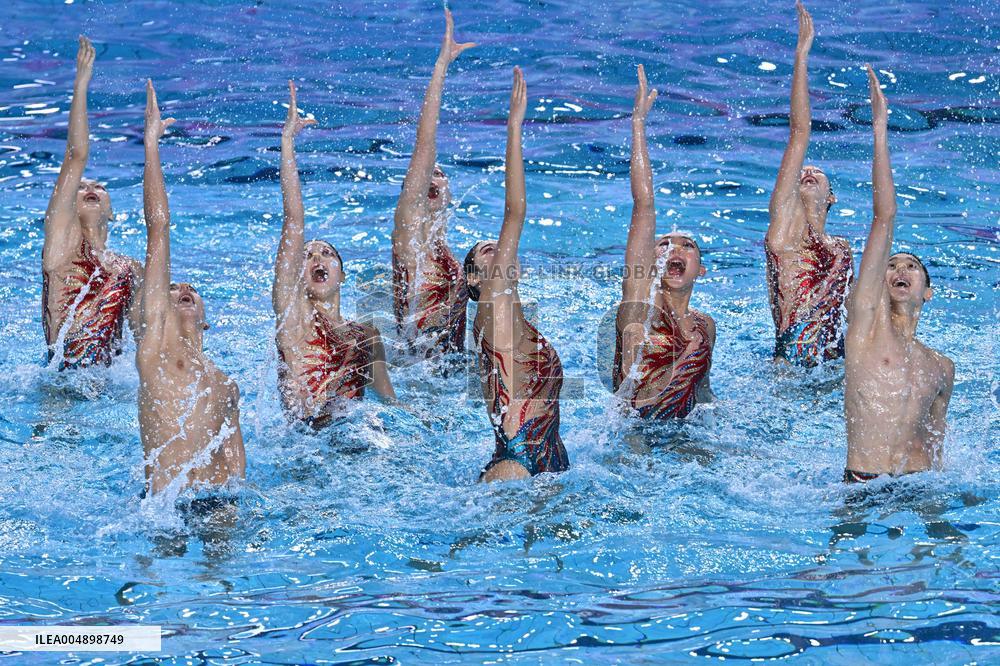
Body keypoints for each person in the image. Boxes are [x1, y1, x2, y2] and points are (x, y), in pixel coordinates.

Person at [843, 67, 954, 482]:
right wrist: (879, 129)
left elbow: (936, 444)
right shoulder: (866, 327)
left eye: (911, 266)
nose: (899, 269)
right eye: (891, 265)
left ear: (927, 291)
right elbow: (884, 217)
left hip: (919, 486)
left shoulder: (942, 367)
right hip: (863, 483)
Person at [137, 80, 245, 496]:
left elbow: (236, 460)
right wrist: (151, 147)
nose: (181, 287)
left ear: (205, 319)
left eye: (192, 290)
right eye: (173, 287)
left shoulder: (225, 384)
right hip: (165, 504)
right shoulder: (155, 349)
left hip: (217, 499)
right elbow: (158, 230)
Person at [464, 67, 569, 482]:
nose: (502, 253)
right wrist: (514, 127)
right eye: (489, 252)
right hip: (517, 465)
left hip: (550, 463)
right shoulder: (491, 308)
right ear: (474, 281)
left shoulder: (519, 323)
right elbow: (515, 212)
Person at [273, 82, 395, 428]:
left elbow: (389, 401)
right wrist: (287, 144)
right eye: (308, 256)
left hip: (355, 439)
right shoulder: (294, 319)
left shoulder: (367, 336)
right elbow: (293, 222)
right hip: (306, 442)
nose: (317, 259)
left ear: (341, 274)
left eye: (326, 254)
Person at [613, 65, 715, 419]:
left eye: (687, 244)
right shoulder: (639, 299)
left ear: (700, 270)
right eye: (664, 244)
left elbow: (701, 391)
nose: (674, 248)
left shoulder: (705, 327)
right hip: (631, 436)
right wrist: (638, 124)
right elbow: (644, 205)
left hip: (682, 432)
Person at [42, 36, 143, 370]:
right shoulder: (62, 245)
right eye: (82, 187)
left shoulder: (128, 269)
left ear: (111, 212)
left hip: (106, 386)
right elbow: (76, 156)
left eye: (99, 187)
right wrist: (81, 85)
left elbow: (146, 334)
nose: (91, 188)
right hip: (59, 381)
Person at [766, 2, 853, 366]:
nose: (808, 171)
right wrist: (801, 56)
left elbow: (853, 312)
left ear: (831, 197)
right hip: (790, 366)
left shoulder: (842, 249)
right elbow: (800, 132)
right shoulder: (784, 231)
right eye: (804, 170)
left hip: (836, 364)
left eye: (818, 173)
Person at [392, 9, 474, 356]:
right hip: (416, 371)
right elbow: (425, 146)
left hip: (448, 373)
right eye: (429, 173)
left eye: (441, 174)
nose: (434, 177)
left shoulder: (449, 253)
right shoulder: (411, 238)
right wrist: (441, 68)